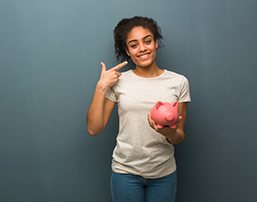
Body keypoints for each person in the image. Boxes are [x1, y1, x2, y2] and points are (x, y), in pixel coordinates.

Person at [87, 16, 191, 202]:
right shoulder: (119, 82)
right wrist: (101, 87)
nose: (142, 48)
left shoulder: (179, 82)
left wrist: (168, 131)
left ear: (156, 43)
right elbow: (94, 128)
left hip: (164, 174)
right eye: (134, 45)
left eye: (147, 41)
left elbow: (179, 136)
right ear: (127, 50)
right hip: (125, 173)